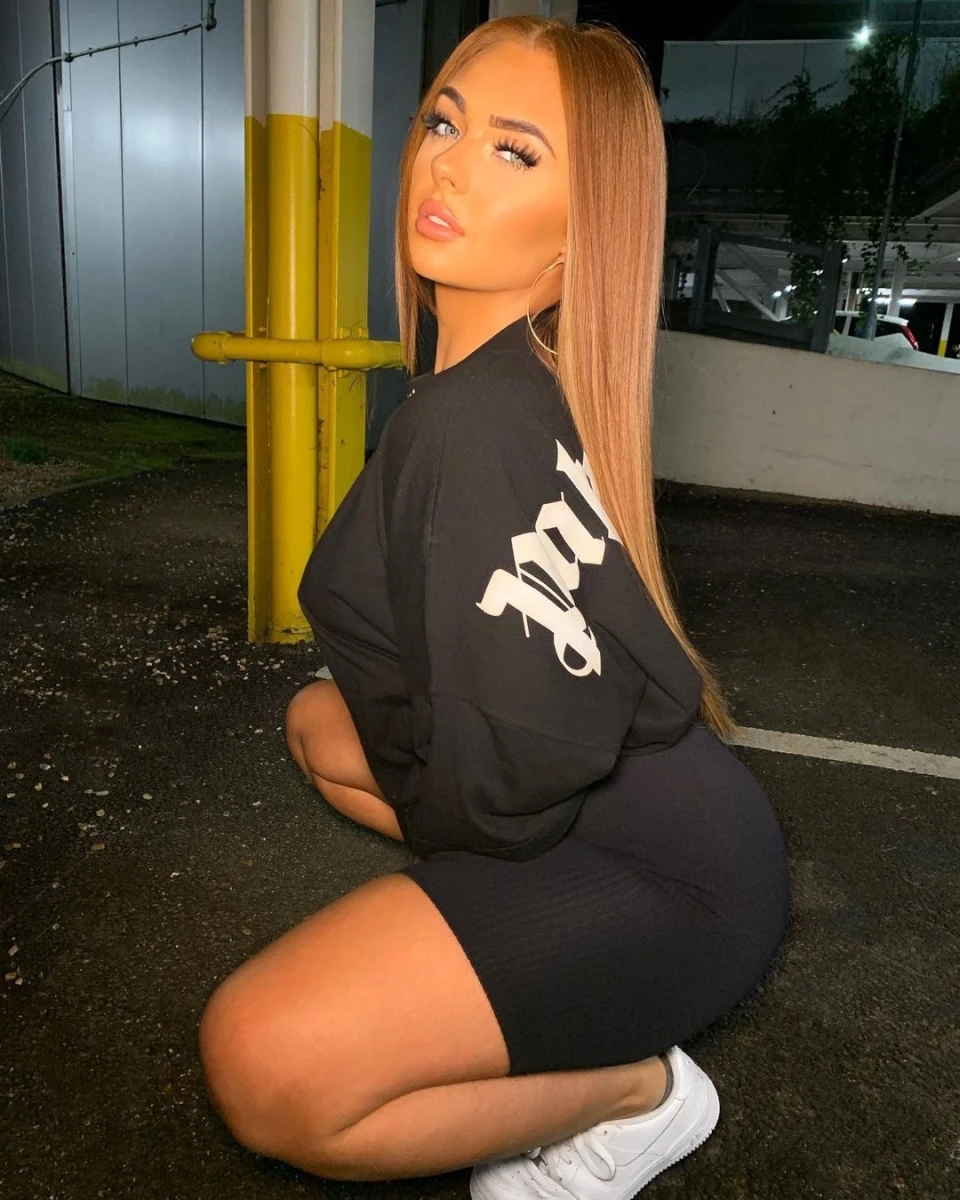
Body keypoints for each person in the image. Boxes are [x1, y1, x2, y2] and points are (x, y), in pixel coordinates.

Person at [198, 16, 792, 1197]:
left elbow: (510, 784)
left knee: (264, 1062)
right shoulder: (518, 377)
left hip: (668, 878)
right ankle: (511, 966)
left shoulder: (474, 424)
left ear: (584, 229)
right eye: (444, 123)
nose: (449, 165)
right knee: (317, 724)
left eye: (517, 151)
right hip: (681, 818)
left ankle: (638, 1095)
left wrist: (450, 888)